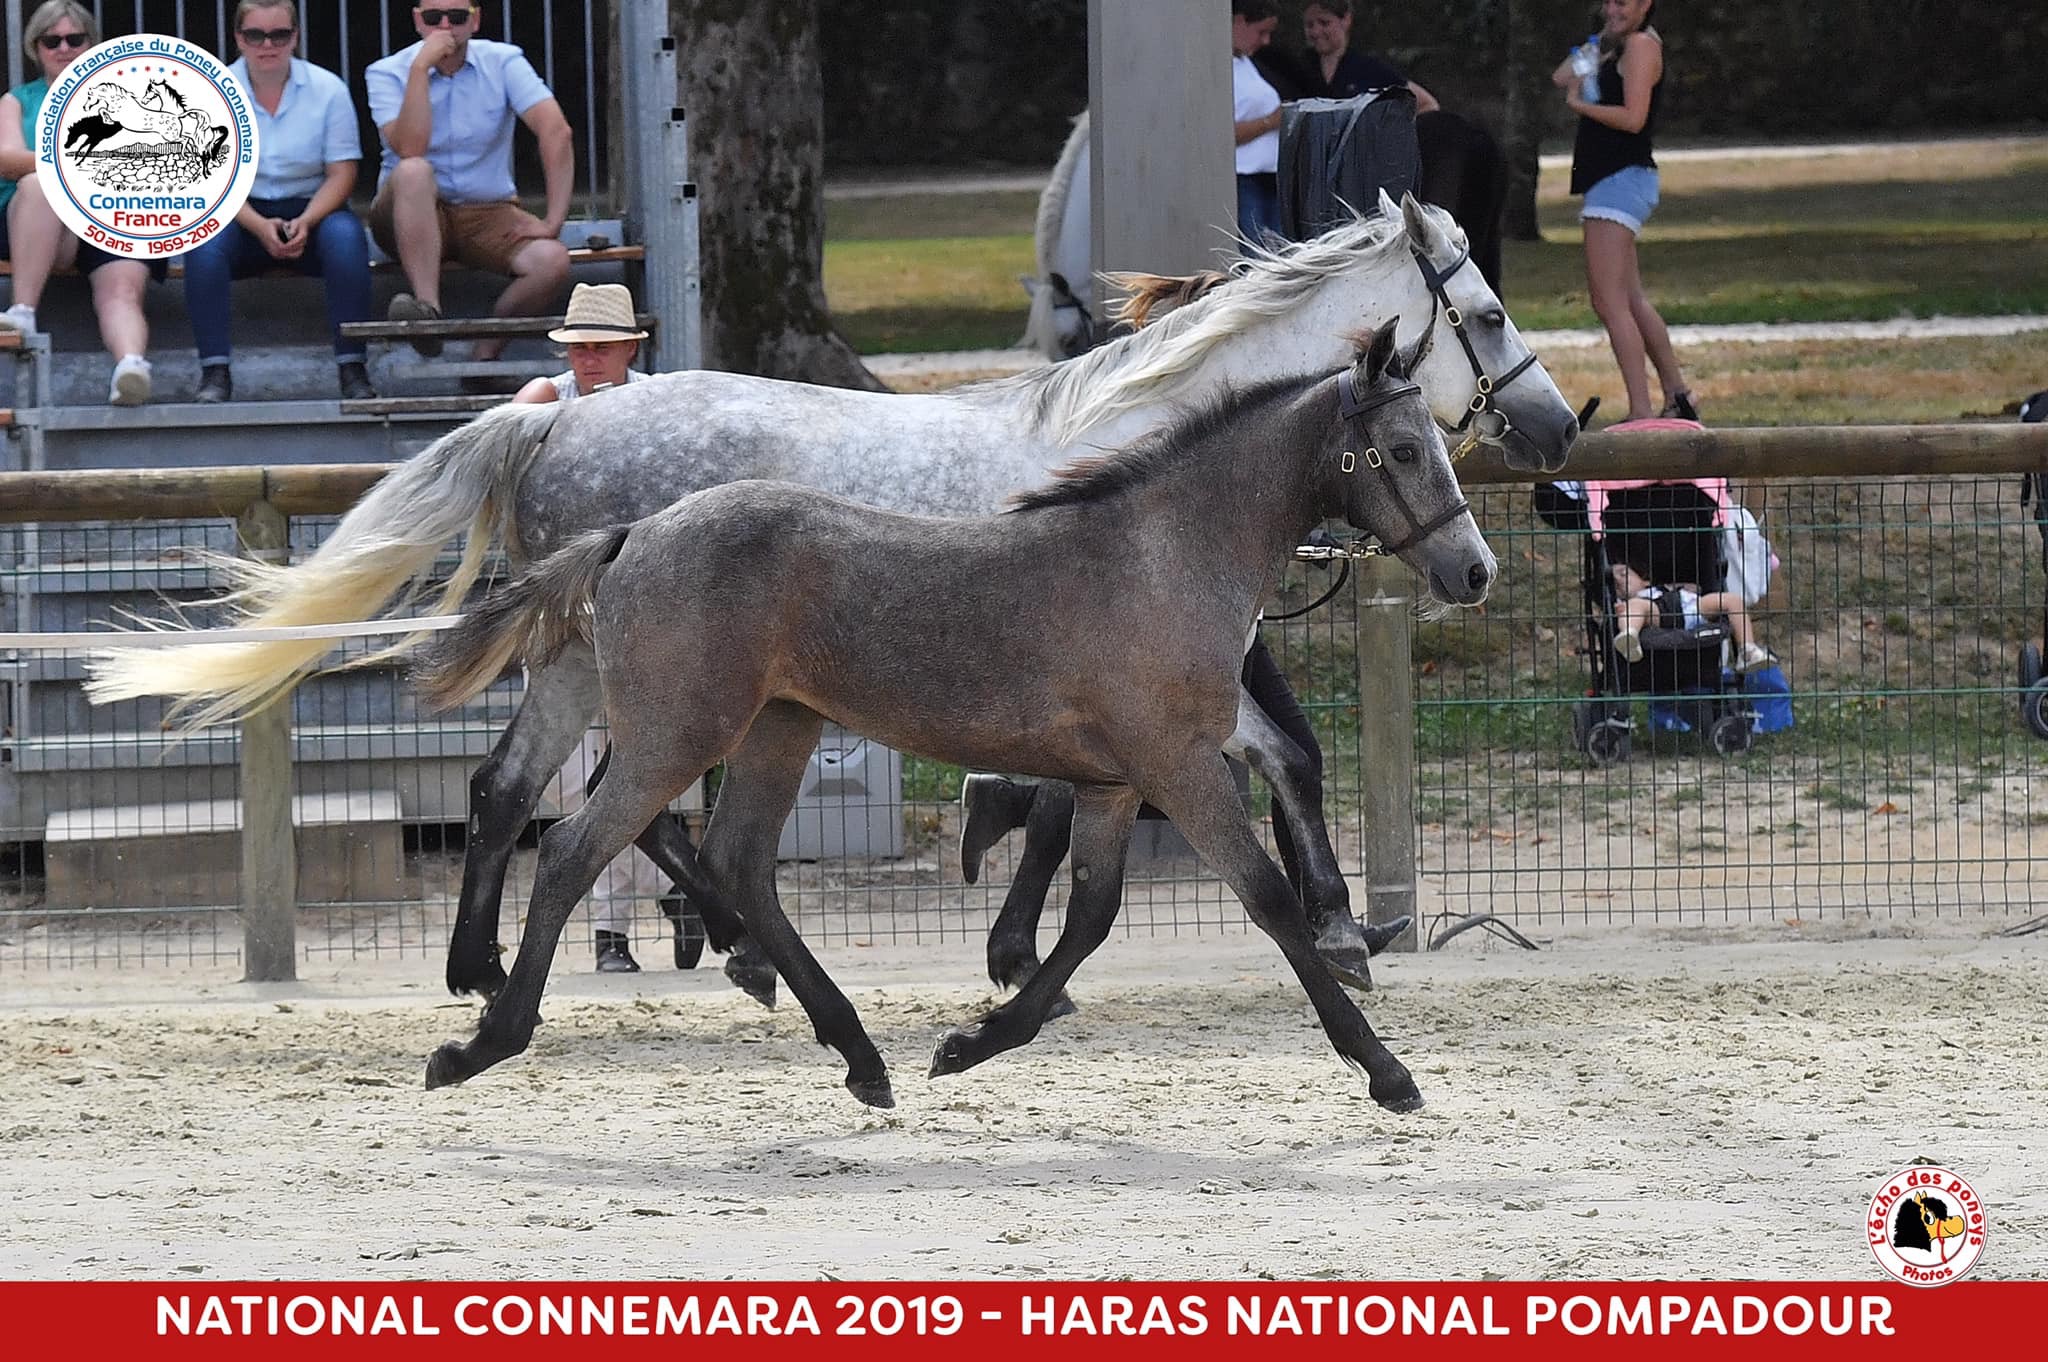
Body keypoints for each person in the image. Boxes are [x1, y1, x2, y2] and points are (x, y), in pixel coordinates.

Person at [517, 282, 671, 973]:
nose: (588, 359)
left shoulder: (665, 409)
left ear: (631, 349)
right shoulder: (546, 400)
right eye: (579, 347)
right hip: (568, 611)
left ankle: (615, 928)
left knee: (636, 768)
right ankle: (678, 889)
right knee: (576, 780)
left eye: (601, 346)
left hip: (645, 613)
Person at [183, 2, 376, 403]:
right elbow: (208, 179)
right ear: (238, 38)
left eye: (279, 35)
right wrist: (257, 224)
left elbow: (343, 172)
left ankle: (353, 369)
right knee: (201, 247)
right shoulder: (209, 92)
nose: (267, 44)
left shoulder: (328, 90)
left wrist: (307, 220)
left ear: (296, 36)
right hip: (237, 211)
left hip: (313, 209)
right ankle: (214, 373)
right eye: (255, 34)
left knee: (347, 240)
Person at [364, 4, 573, 366]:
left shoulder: (504, 61)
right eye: (433, 18)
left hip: (486, 211)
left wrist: (553, 220)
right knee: (414, 170)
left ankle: (484, 355)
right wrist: (419, 69)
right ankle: (427, 313)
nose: (445, 27)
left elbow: (556, 130)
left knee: (552, 261)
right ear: (417, 21)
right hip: (411, 212)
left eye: (457, 17)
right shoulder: (386, 72)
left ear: (475, 21)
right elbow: (410, 147)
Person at [0, 0, 163, 404]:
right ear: (34, 48)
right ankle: (21, 312)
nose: (63, 48)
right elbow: (7, 160)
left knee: (121, 290)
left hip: (106, 216)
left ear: (92, 43)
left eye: (75, 38)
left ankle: (131, 366)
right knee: (41, 184)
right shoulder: (17, 100)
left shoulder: (124, 97)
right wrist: (79, 164)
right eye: (51, 40)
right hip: (34, 224)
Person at [1555, 0, 1697, 423]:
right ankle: (1678, 396)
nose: (1612, 8)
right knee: (1630, 300)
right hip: (1608, 181)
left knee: (1608, 301)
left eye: (1624, 2)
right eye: (1609, 2)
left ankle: (1640, 411)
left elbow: (1634, 118)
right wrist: (1601, 39)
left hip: (1621, 180)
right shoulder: (1615, 44)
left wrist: (1580, 107)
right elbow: (1561, 75)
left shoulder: (1641, 47)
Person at [1609, 560, 1773, 673]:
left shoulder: (1658, 588)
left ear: (1645, 579)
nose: (1619, 581)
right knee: (1635, 608)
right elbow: (1625, 610)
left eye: (1623, 574)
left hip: (1692, 607)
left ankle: (1747, 650)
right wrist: (1622, 610)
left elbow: (1694, 587)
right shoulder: (1631, 600)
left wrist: (1690, 587)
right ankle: (1629, 635)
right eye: (1615, 584)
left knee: (1732, 600)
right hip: (1660, 614)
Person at [1300, 0, 1439, 110]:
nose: (1316, 32)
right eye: (1310, 25)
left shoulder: (1368, 67)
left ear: (1346, 20)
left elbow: (1427, 104)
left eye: (1324, 23)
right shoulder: (1299, 67)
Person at [1230, 1, 1285, 248]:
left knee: (1277, 253)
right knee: (1254, 258)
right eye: (1261, 32)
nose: (1265, 41)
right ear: (1240, 22)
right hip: (1244, 179)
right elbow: (1222, 132)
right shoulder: (1221, 68)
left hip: (1268, 176)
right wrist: (1270, 121)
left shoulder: (1245, 63)